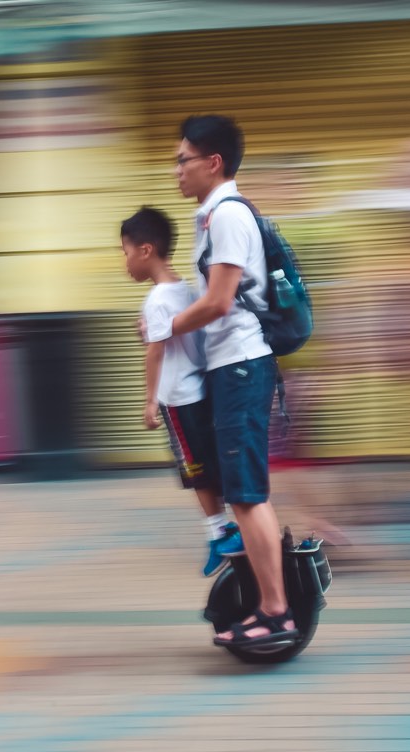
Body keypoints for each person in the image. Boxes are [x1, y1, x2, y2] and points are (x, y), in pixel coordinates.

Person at [168, 115, 296, 647]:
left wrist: (165, 326)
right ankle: (262, 600)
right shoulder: (214, 218)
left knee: (247, 494)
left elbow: (220, 302)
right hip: (232, 366)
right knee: (239, 491)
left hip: (241, 365)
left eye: (183, 160)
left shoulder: (226, 216)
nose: (176, 170)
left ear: (212, 162)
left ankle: (276, 613)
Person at [121, 206, 245, 577]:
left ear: (146, 250)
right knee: (208, 466)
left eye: (125, 252)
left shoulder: (156, 300)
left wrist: (149, 401)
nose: (124, 262)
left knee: (195, 471)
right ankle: (225, 530)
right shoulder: (187, 291)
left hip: (177, 399)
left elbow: (155, 353)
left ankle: (218, 535)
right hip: (201, 391)